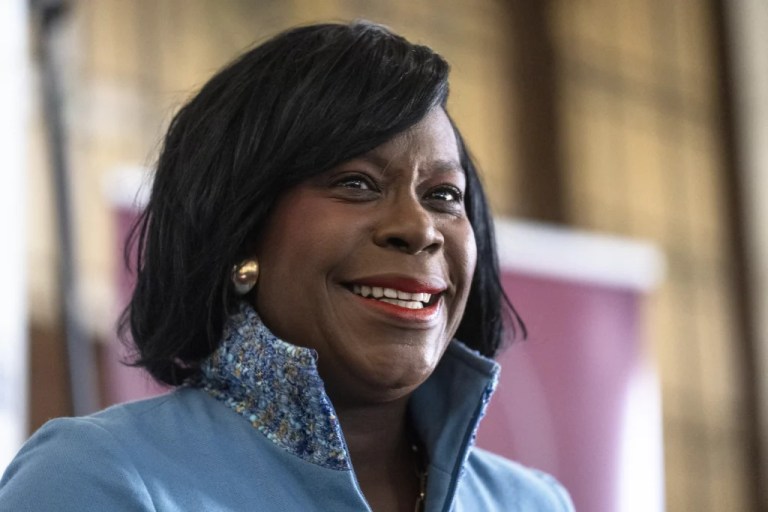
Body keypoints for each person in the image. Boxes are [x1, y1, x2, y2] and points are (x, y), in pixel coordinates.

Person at [0, 21, 574, 511]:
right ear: (241, 231)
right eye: (356, 183)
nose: (419, 228)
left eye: (444, 195)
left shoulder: (531, 502)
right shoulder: (99, 478)